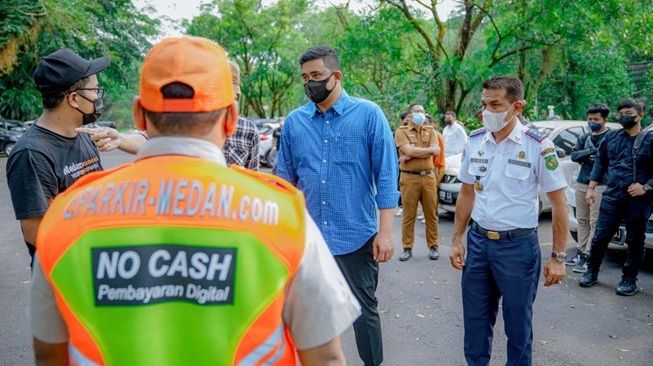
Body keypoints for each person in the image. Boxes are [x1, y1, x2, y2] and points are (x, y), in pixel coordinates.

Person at [29, 36, 360, 366]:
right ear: (231, 118)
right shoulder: (285, 219)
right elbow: (326, 357)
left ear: (139, 114)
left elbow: (48, 356)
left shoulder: (66, 218)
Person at [276, 45, 398, 366]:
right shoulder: (294, 123)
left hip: (356, 236)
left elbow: (386, 177)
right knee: (309, 314)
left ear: (336, 76)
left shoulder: (368, 115)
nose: (310, 83)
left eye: (316, 75)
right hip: (309, 240)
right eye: (305, 77)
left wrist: (385, 232)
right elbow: (284, 183)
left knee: (363, 311)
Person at [449, 76, 568, 366]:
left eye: (495, 105)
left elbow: (559, 203)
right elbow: (466, 192)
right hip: (478, 245)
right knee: (475, 325)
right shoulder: (476, 141)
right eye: (484, 104)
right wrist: (456, 240)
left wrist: (559, 256)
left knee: (518, 328)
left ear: (516, 107)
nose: (487, 111)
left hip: (517, 249)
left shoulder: (538, 146)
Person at [6, 48, 109, 267]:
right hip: (64, 273)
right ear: (74, 99)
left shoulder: (82, 136)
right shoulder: (32, 154)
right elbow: (36, 233)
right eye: (94, 91)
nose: (98, 97)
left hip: (94, 265)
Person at [78, 61, 260, 170]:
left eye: (233, 97)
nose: (227, 104)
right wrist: (120, 138)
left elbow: (253, 177)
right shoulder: (190, 120)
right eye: (221, 96)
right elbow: (149, 139)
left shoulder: (248, 130)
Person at [580, 98, 653, 296]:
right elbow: (600, 162)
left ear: (640, 115)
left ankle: (629, 280)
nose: (623, 117)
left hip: (638, 200)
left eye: (628, 114)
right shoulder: (611, 137)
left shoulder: (650, 140)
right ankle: (591, 272)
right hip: (612, 195)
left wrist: (646, 187)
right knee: (600, 237)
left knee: (635, 240)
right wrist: (591, 188)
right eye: (620, 114)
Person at [566, 104, 610, 273]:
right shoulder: (584, 137)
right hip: (582, 182)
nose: (592, 122)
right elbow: (575, 155)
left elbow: (607, 158)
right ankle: (580, 252)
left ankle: (589, 256)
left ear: (604, 120)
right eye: (590, 119)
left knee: (594, 222)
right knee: (582, 220)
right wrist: (590, 152)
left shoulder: (610, 137)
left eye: (596, 119)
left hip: (601, 185)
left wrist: (588, 154)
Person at [395, 104, 441, 261]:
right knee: (409, 214)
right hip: (409, 178)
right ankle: (407, 248)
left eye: (422, 111)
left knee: (431, 213)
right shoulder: (401, 132)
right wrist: (423, 152)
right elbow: (408, 151)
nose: (420, 114)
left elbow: (436, 151)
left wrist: (414, 153)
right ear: (409, 116)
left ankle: (433, 246)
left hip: (428, 177)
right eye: (416, 112)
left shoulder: (431, 131)